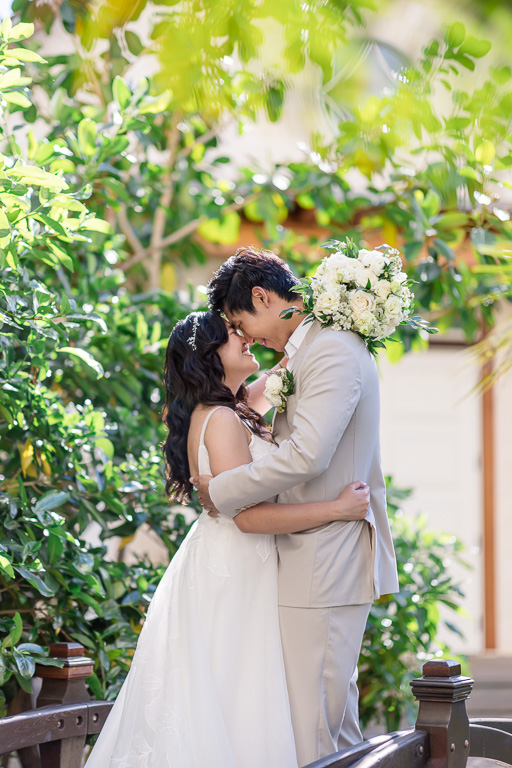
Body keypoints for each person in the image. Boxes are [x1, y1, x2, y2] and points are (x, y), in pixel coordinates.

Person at [85, 309, 371, 768]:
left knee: (231, 691)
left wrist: (330, 314)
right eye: (232, 334)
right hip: (236, 565)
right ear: (208, 357)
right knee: (236, 691)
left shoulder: (229, 408)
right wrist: (336, 510)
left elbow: (282, 370)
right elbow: (249, 518)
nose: (245, 338)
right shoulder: (219, 418)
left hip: (229, 563)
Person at [192, 247, 399, 767]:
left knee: (315, 733)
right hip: (311, 559)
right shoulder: (305, 354)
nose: (247, 338)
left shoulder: (330, 348)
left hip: (324, 562)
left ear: (263, 297)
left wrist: (223, 490)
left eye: (243, 323)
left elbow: (308, 454)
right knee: (330, 725)